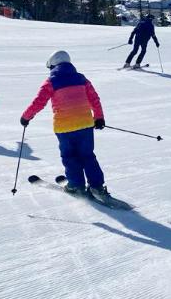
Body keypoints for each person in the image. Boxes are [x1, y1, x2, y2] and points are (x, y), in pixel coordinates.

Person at [20, 50, 111, 201]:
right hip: (85, 125)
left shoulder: (51, 81)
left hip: (64, 127)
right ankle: (97, 186)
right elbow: (94, 98)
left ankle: (76, 185)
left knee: (70, 157)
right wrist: (99, 117)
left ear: (53, 65)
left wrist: (26, 116)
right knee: (88, 156)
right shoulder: (82, 79)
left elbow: (39, 102)